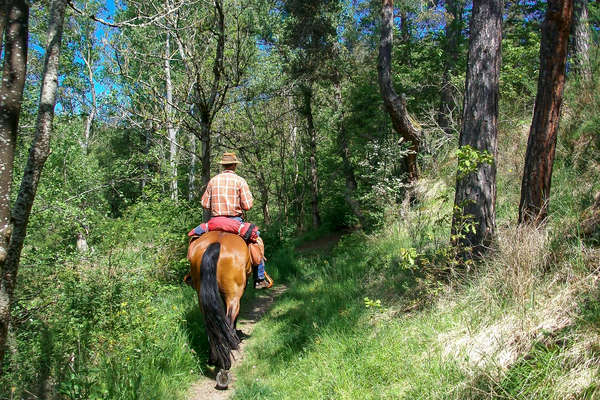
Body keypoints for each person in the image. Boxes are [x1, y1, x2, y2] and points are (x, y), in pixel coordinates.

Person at [201, 152, 270, 289]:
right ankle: (260, 278)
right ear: (234, 165)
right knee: (257, 240)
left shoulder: (213, 181)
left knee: (195, 237)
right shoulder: (240, 181)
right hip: (235, 222)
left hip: (214, 222)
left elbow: (204, 203)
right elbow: (248, 206)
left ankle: (192, 273)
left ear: (223, 165)